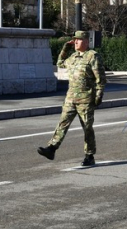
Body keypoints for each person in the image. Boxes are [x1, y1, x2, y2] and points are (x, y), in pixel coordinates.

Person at [38, 31, 106, 166]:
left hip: (86, 99)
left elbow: (100, 79)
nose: (75, 42)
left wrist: (98, 95)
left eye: (78, 40)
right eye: (74, 40)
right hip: (70, 98)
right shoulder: (73, 57)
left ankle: (89, 155)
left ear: (86, 41)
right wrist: (65, 48)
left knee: (87, 127)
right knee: (63, 123)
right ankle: (52, 148)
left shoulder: (92, 56)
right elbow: (60, 62)